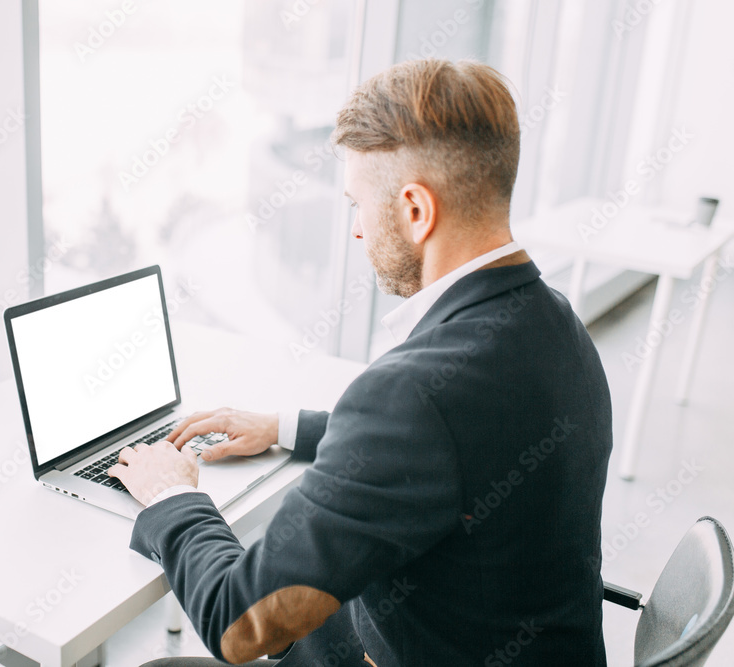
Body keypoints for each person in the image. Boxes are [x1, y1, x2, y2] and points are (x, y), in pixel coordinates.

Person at [108, 58, 612, 666]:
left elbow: (237, 622)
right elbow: (458, 444)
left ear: (416, 210)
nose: (356, 231)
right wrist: (286, 428)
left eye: (357, 204)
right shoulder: (555, 323)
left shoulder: (410, 398)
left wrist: (170, 497)